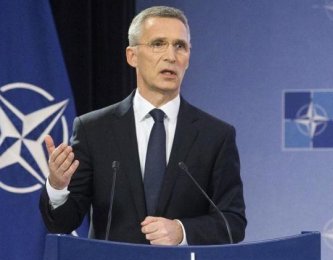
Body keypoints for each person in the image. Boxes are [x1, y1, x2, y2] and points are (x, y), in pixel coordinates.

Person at [39, 6, 246, 245]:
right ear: (132, 56)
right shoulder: (94, 130)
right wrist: (57, 186)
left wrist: (182, 231)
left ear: (188, 57)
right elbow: (63, 222)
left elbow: (233, 223)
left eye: (180, 46)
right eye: (158, 44)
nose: (171, 56)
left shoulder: (215, 135)